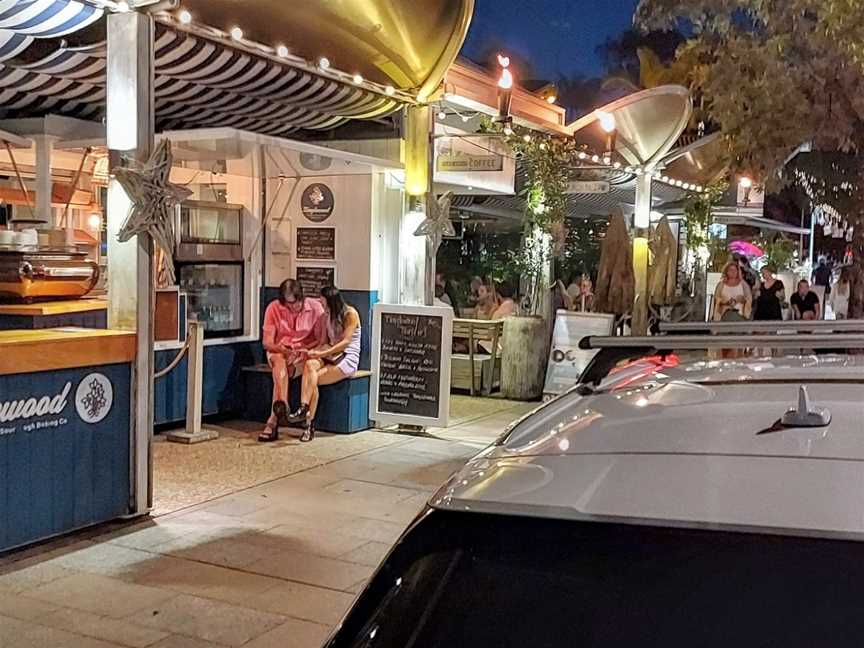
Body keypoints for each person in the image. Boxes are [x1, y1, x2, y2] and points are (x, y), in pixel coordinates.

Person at [288, 287, 361, 442]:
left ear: (331, 301)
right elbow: (322, 342)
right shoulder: (324, 316)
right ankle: (304, 407)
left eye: (323, 301)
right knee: (309, 366)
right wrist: (307, 353)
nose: (320, 303)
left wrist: (321, 354)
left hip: (347, 357)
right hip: (330, 354)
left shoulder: (350, 314)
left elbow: (345, 342)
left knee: (311, 381)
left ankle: (308, 422)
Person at [259, 279, 325, 442]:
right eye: (288, 305)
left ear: (302, 297)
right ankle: (283, 405)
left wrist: (304, 351)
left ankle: (274, 419)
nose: (292, 308)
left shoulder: (316, 308)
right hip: (280, 351)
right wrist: (284, 350)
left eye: (295, 304)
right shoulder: (273, 308)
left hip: (305, 352)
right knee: (279, 363)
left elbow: (320, 340)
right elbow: (267, 343)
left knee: (290, 372)